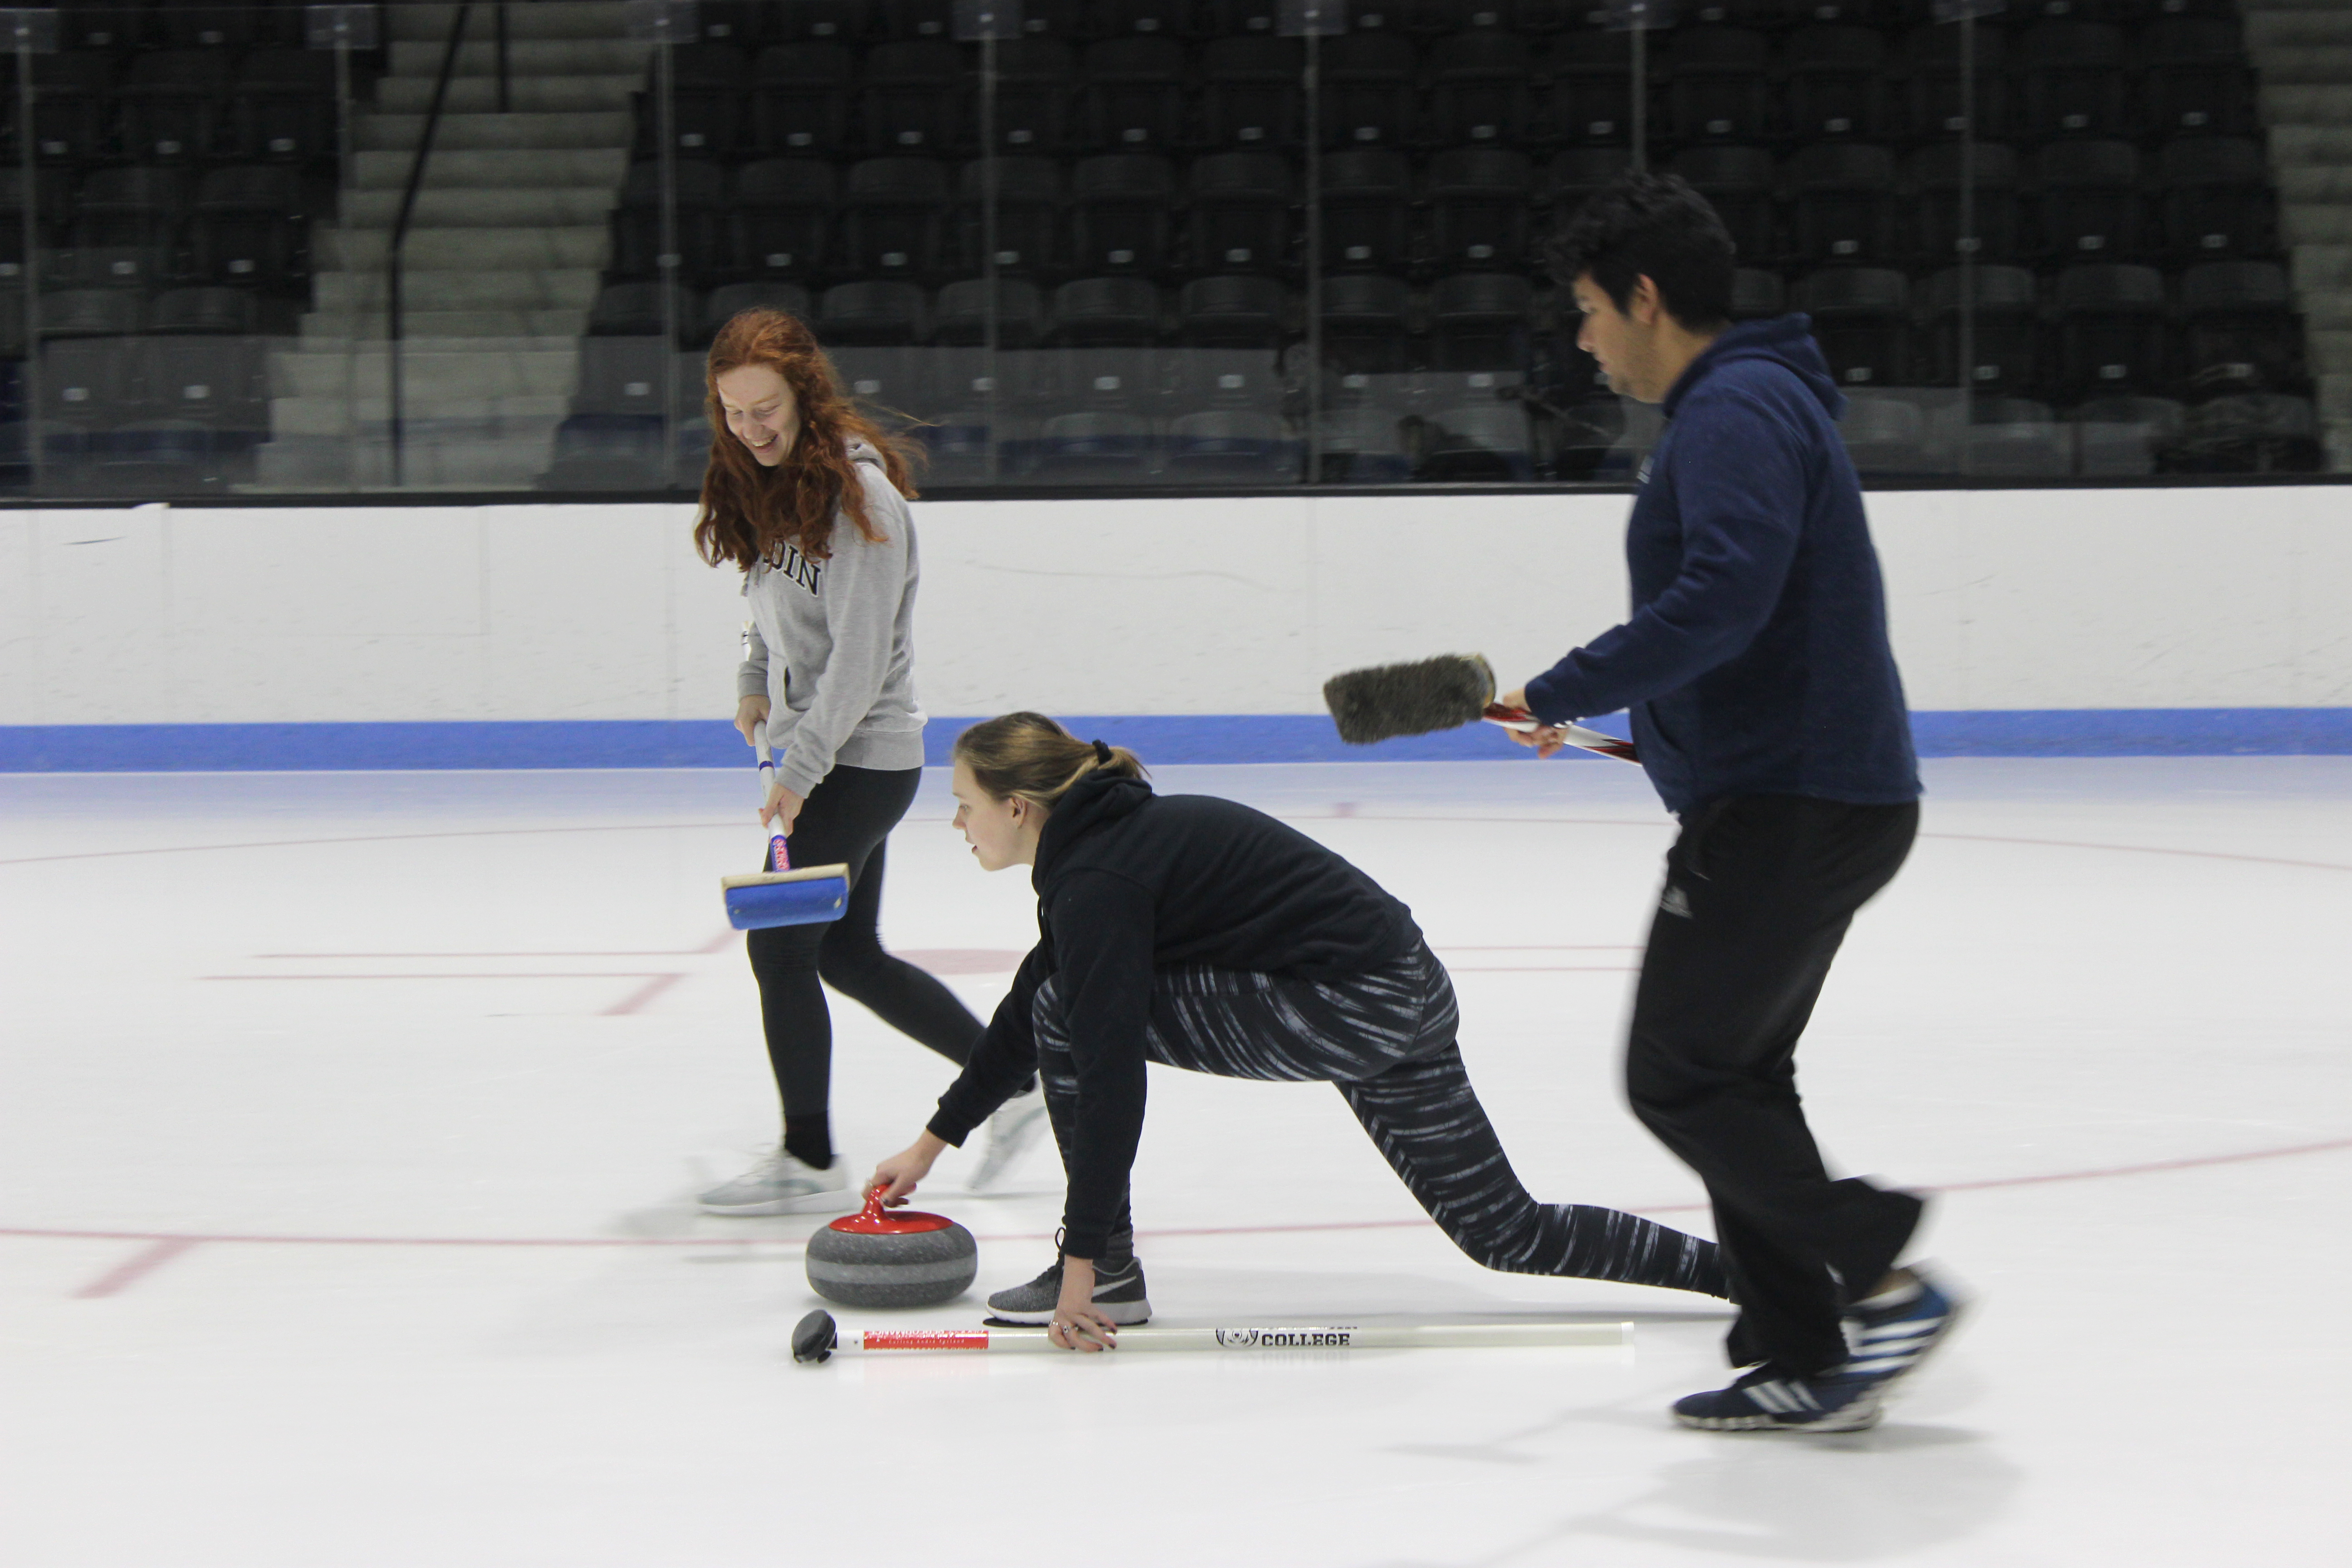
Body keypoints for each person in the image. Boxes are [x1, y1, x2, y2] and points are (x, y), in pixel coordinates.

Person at [1496, 172, 1960, 1432]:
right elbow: (1756, 632)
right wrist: (1630, 725)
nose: (1584, 341)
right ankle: (1804, 1347)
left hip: (1795, 806)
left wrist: (1565, 682)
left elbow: (1722, 603)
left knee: (1680, 1079)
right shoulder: (1749, 404)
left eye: (1591, 311)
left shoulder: (1734, 409)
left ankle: (1883, 1273)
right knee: (1736, 1077)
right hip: (1809, 794)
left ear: (1646, 299)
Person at [868, 712, 1732, 1351]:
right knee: (1506, 1232)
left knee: (1076, 1018)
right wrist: (932, 1143)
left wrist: (1087, 1261)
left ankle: (1116, 1274)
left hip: (1352, 1004)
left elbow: (1106, 1070)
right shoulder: (1106, 849)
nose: (955, 824)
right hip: (1408, 995)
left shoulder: (1098, 877)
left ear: (1017, 807)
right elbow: (1027, 999)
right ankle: (1748, 1274)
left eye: (962, 804)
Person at [691, 308, 1045, 1215]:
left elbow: (857, 660)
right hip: (831, 753)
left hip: (861, 760)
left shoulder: (863, 501)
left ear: (803, 395)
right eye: (734, 413)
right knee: (847, 956)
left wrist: (797, 772)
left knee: (780, 948)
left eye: (765, 409)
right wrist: (751, 677)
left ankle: (807, 1158)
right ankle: (1012, 1084)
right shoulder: (774, 483)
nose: (751, 430)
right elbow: (761, 591)